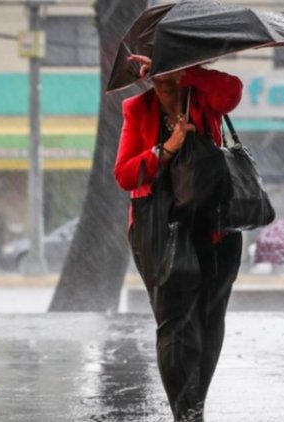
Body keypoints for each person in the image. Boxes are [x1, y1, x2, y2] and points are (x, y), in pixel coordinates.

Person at [113, 54, 243, 422]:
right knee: (174, 323)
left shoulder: (203, 98)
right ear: (148, 80)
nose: (166, 89)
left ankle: (195, 403)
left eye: (172, 80)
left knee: (209, 319)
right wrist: (168, 147)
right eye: (159, 81)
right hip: (159, 230)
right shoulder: (138, 109)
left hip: (217, 228)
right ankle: (184, 413)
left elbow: (233, 91)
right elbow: (124, 175)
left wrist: (188, 70)